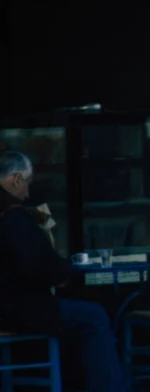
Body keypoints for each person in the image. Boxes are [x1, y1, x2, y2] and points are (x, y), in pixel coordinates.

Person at [0, 150, 126, 392]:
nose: (28, 191)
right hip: (17, 309)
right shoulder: (14, 215)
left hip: (8, 306)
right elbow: (43, 269)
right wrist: (66, 268)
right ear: (16, 179)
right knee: (94, 316)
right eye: (27, 183)